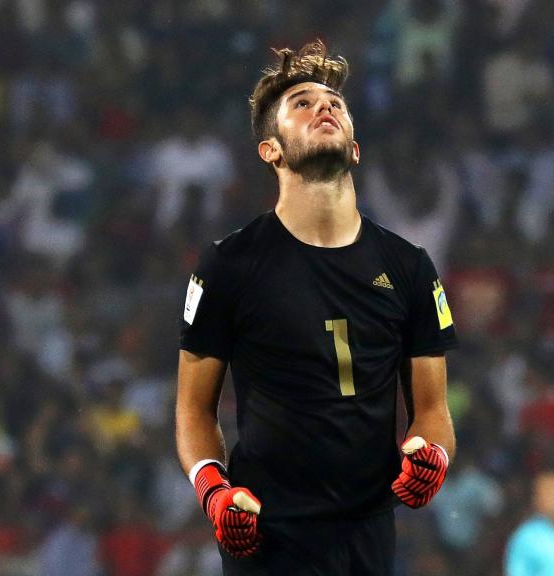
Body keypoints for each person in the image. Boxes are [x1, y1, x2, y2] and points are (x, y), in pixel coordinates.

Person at [175, 40, 458, 575]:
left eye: (334, 104)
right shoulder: (228, 266)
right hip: (267, 533)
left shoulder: (410, 267)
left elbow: (432, 410)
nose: (323, 108)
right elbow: (193, 410)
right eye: (301, 104)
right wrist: (214, 491)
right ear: (271, 150)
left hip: (368, 535)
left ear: (355, 148)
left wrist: (432, 454)